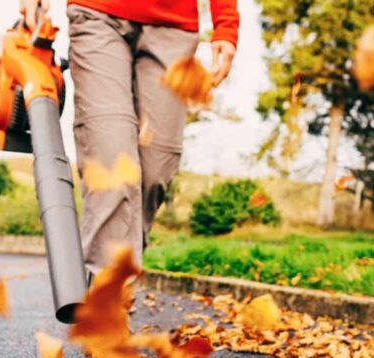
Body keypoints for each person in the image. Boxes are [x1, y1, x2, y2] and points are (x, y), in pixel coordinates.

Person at [20, 0, 239, 276]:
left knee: (157, 168)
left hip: (175, 26)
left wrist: (225, 23)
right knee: (113, 161)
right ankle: (106, 300)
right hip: (98, 13)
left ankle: (113, 283)